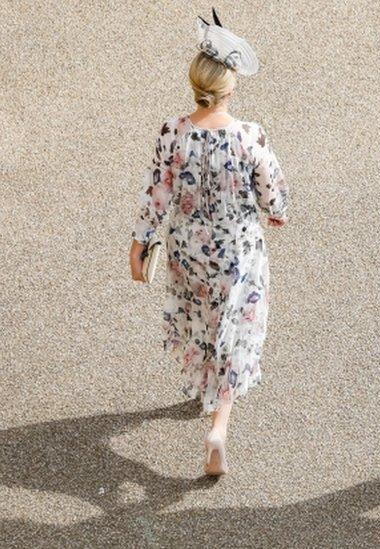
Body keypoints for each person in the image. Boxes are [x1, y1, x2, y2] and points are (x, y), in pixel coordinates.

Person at [127, 10, 287, 477]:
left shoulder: (172, 132)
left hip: (187, 250)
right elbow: (276, 200)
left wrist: (139, 244)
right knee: (234, 327)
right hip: (236, 253)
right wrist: (272, 212)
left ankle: (204, 387)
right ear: (230, 86)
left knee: (200, 319)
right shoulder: (249, 136)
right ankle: (219, 424)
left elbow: (156, 193)